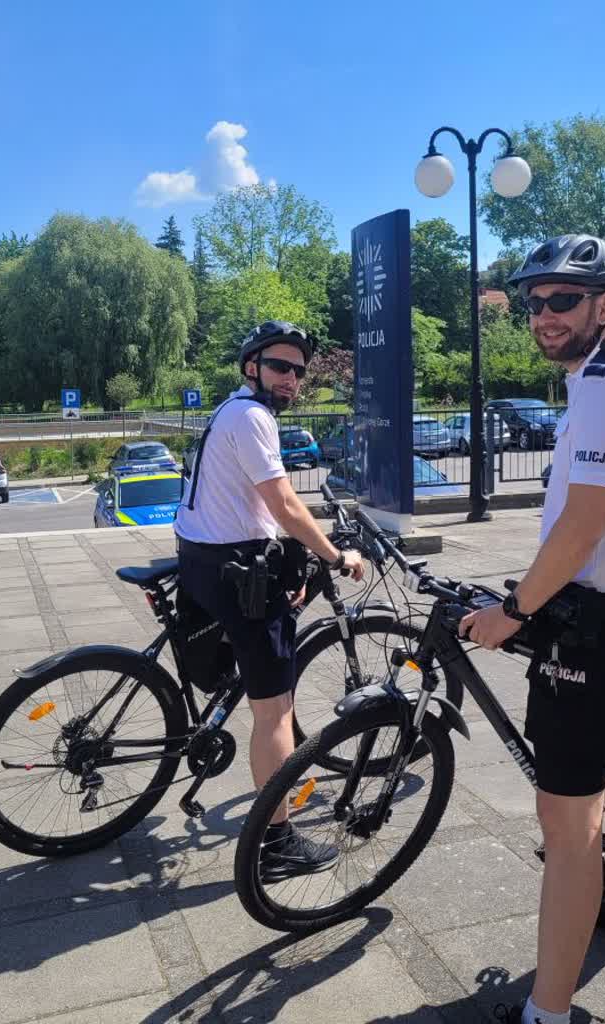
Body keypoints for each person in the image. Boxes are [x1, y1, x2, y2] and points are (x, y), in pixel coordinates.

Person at [460, 236, 605, 1024]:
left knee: (567, 831)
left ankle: (548, 1012)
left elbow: (579, 530)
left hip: (591, 627)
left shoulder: (601, 387)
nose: (542, 315)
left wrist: (511, 612)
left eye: (562, 299)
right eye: (534, 302)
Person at [174, 319, 367, 881]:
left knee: (240, 674)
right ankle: (276, 843)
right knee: (274, 710)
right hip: (234, 573)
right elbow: (283, 504)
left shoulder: (229, 410)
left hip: (203, 559)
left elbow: (257, 506)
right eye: (280, 366)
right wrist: (335, 555)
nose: (291, 379)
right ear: (251, 367)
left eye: (299, 372)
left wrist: (292, 554)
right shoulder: (253, 417)